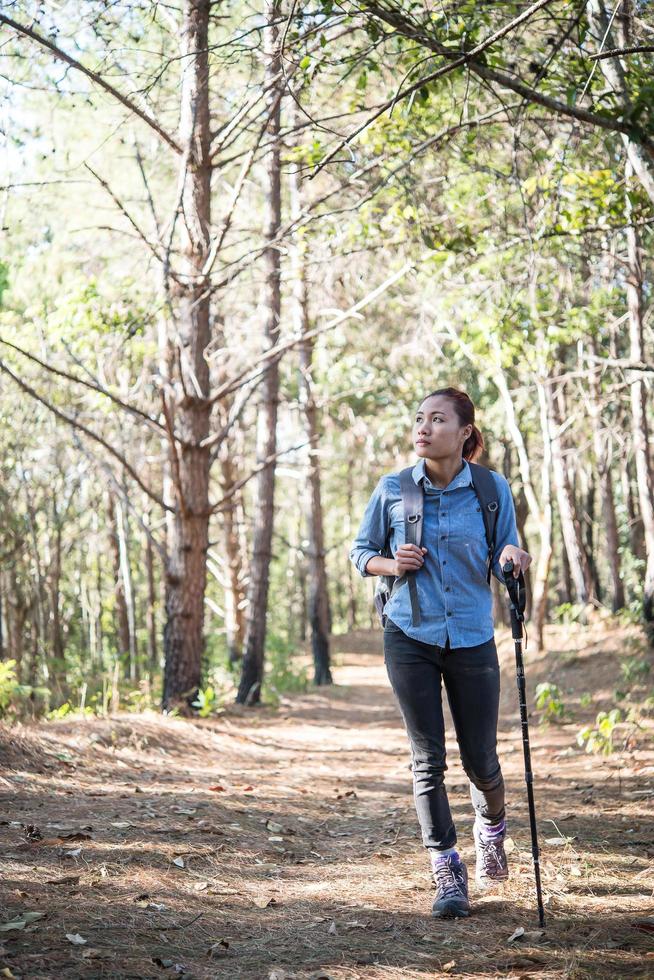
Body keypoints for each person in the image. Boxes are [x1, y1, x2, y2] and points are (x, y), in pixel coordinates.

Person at [348, 386, 532, 918]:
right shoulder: (394, 490)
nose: (423, 428)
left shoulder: (490, 489)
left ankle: (492, 828)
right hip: (409, 634)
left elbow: (503, 554)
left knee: (481, 761)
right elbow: (360, 553)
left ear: (464, 433)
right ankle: (447, 867)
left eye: (437, 419)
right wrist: (390, 563)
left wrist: (513, 556)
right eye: (419, 419)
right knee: (427, 760)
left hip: (473, 635)